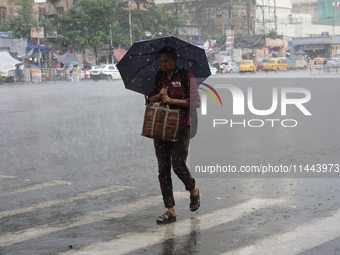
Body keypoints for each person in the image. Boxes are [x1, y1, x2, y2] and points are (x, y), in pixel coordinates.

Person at [148, 46, 201, 224]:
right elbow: (149, 99)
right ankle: (170, 209)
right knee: (163, 169)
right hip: (160, 128)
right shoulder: (159, 77)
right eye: (161, 61)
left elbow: (196, 102)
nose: (163, 64)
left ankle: (193, 189)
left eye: (167, 60)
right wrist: (157, 96)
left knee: (178, 165)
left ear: (175, 60)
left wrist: (172, 100)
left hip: (180, 128)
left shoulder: (187, 76)